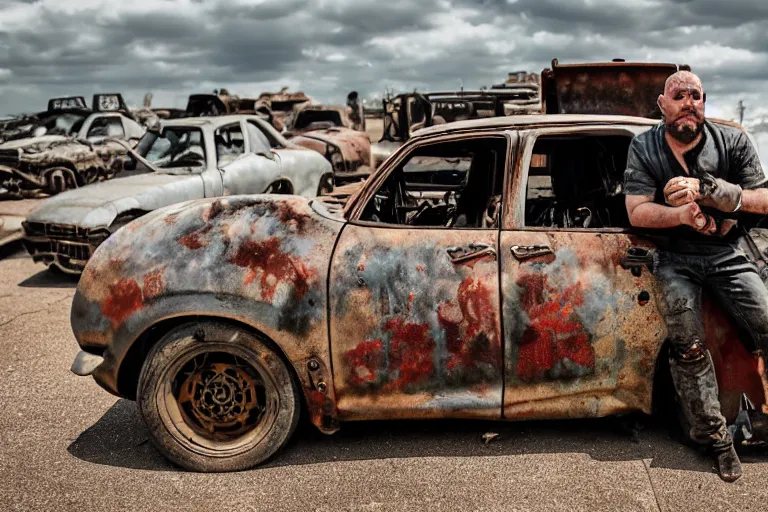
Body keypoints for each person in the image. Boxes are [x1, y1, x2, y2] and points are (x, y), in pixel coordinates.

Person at [623, 70, 768, 482]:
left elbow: (763, 199)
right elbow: (636, 210)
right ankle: (718, 442)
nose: (689, 101)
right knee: (687, 347)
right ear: (662, 103)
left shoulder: (732, 140)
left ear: (704, 102)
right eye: (679, 95)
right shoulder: (644, 146)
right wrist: (681, 214)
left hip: (727, 253)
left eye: (696, 95)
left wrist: (712, 192)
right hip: (674, 257)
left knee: (767, 324)